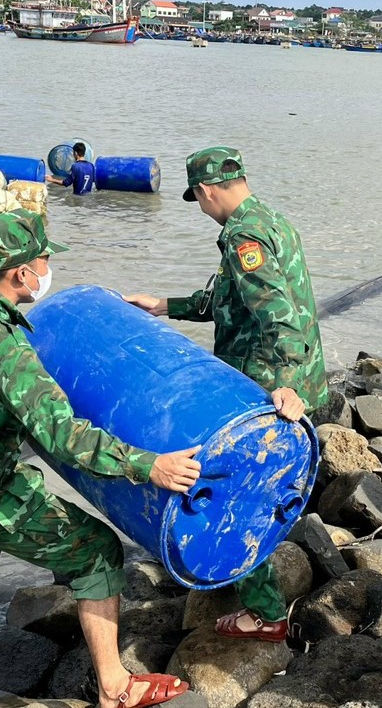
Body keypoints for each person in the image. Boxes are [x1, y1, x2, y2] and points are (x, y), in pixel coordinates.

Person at [0, 209, 196, 708]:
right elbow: (63, 436)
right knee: (98, 550)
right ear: (21, 273)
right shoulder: (6, 346)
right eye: (44, 260)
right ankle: (115, 687)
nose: (48, 270)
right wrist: (150, 466)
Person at [124, 147, 327, 642]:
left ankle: (266, 613)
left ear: (206, 190)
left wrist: (287, 387)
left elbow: (278, 315)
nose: (200, 207)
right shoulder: (270, 220)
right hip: (294, 377)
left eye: (196, 198)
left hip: (265, 389)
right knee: (261, 486)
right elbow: (228, 299)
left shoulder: (243, 237)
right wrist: (163, 305)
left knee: (237, 495)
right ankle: (268, 563)